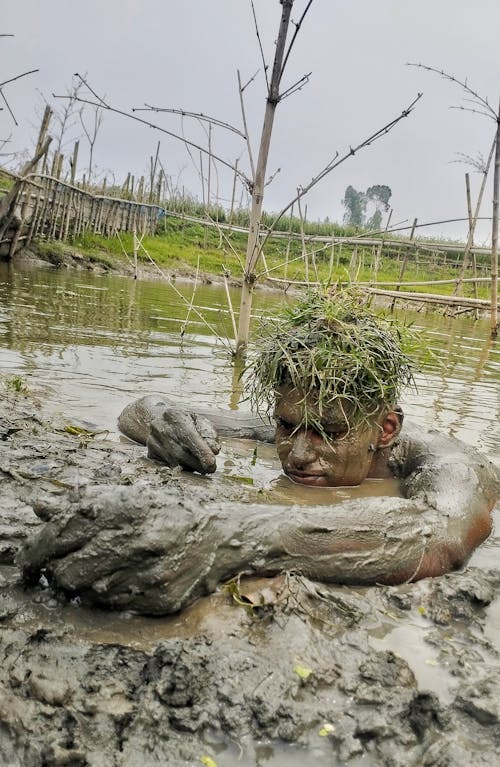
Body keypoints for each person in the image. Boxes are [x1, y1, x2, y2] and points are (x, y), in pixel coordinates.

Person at [116, 289, 499, 585]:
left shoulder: (448, 465)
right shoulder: (300, 418)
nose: (297, 455)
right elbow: (144, 407)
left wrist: (226, 535)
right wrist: (167, 426)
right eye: (285, 427)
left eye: (328, 434)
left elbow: (441, 534)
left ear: (385, 430)